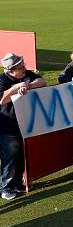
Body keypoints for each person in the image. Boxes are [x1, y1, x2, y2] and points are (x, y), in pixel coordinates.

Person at [0, 53, 46, 200]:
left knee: (21, 155)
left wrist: (28, 85)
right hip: (6, 126)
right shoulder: (2, 80)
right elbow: (2, 100)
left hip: (25, 124)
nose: (24, 68)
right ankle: (5, 188)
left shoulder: (27, 75)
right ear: (10, 70)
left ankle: (18, 183)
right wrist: (17, 87)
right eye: (20, 67)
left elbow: (42, 81)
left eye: (23, 65)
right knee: (10, 156)